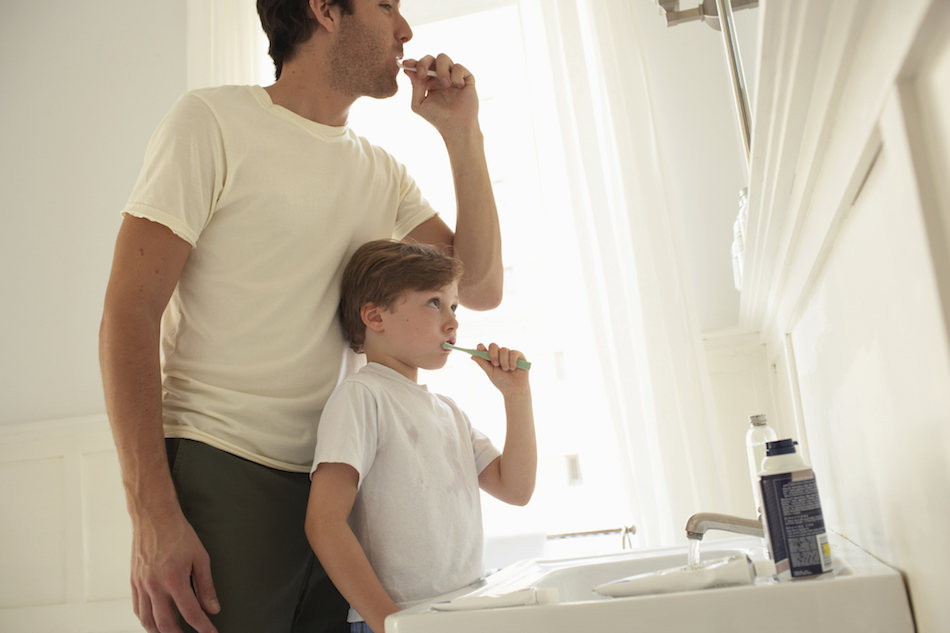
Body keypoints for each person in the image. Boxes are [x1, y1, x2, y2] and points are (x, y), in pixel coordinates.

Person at [98, 1, 504, 632]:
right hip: (223, 466)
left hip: (339, 482)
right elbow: (129, 313)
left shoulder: (382, 173)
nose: (405, 29)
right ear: (324, 10)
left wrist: (462, 135)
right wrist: (152, 517)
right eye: (385, 5)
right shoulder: (210, 122)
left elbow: (476, 286)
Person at [306, 240, 536, 633]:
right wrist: (390, 623)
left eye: (454, 306)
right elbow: (324, 522)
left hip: (461, 610)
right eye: (434, 303)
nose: (453, 322)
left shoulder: (449, 411)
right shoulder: (362, 397)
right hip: (402, 619)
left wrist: (517, 397)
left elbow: (515, 489)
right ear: (375, 316)